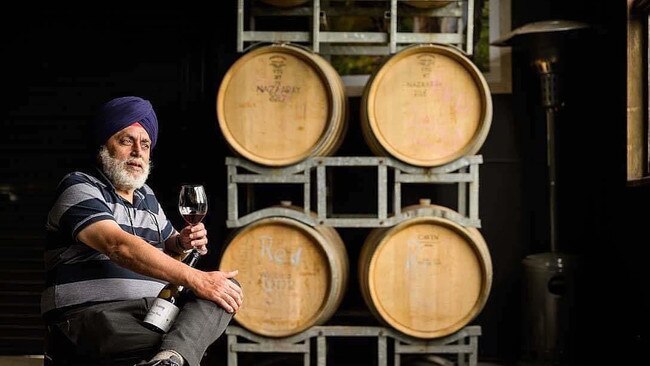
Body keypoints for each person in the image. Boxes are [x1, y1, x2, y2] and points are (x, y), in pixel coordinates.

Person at [40, 96, 243, 366]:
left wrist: (180, 245)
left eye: (145, 144)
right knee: (191, 335)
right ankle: (176, 352)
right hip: (90, 319)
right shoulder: (79, 187)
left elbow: (167, 258)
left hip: (150, 314)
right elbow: (118, 246)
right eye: (126, 141)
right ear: (103, 146)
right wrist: (199, 279)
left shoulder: (146, 196)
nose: (138, 151)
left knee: (226, 288)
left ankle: (170, 358)